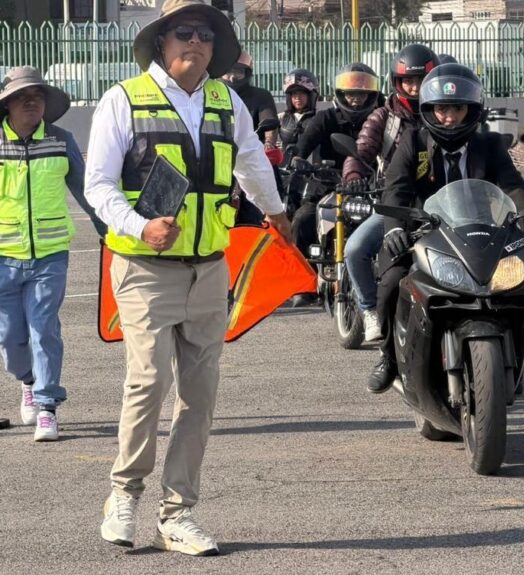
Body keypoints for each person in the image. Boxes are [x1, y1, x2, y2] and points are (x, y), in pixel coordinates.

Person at [85, 0, 290, 556]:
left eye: (204, 34)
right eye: (183, 32)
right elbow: (98, 185)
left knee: (198, 396)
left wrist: (275, 212)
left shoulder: (227, 102)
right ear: (160, 42)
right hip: (145, 266)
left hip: (208, 269)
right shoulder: (122, 100)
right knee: (149, 382)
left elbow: (250, 162)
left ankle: (178, 513)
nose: (194, 42)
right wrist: (138, 224)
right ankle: (123, 493)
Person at [366, 63, 524, 393]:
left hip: (480, 229)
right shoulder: (412, 142)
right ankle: (388, 357)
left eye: (456, 108)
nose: (448, 117)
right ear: (429, 111)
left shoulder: (491, 145)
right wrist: (394, 230)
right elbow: (396, 190)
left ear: (472, 111)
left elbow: (513, 187)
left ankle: (513, 357)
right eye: (441, 109)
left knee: (516, 281)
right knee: (393, 279)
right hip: (424, 232)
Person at [0, 66, 104, 441]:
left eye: (38, 95)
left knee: (44, 329)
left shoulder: (62, 140)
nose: (31, 101)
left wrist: (109, 231)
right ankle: (27, 380)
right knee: (10, 337)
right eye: (23, 96)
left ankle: (46, 405)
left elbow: (87, 190)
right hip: (3, 256)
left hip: (51, 254)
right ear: (8, 104)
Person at [341, 44, 439, 342]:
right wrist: (354, 174)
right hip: (393, 205)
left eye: (419, 80)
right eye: (407, 81)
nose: (413, 87)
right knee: (355, 250)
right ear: (396, 83)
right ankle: (370, 309)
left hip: (442, 205)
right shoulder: (384, 117)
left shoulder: (444, 110)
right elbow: (361, 150)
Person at [290, 63, 381, 261]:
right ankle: (302, 280)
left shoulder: (379, 120)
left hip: (370, 189)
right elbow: (306, 140)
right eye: (350, 94)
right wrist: (297, 158)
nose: (356, 100)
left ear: (371, 95)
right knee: (302, 219)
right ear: (340, 94)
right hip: (327, 188)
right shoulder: (326, 117)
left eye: (361, 95)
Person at [222, 50, 280, 225]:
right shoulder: (211, 94)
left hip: (250, 159)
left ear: (248, 74)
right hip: (218, 162)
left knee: (254, 218)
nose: (232, 77)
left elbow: (269, 123)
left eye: (238, 71)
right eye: (228, 71)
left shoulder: (260, 96)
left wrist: (269, 144)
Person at [278, 68, 319, 154]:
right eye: (294, 93)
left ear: (311, 96)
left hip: (313, 166)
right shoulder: (281, 118)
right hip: (285, 165)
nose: (297, 97)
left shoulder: (320, 118)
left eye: (302, 93)